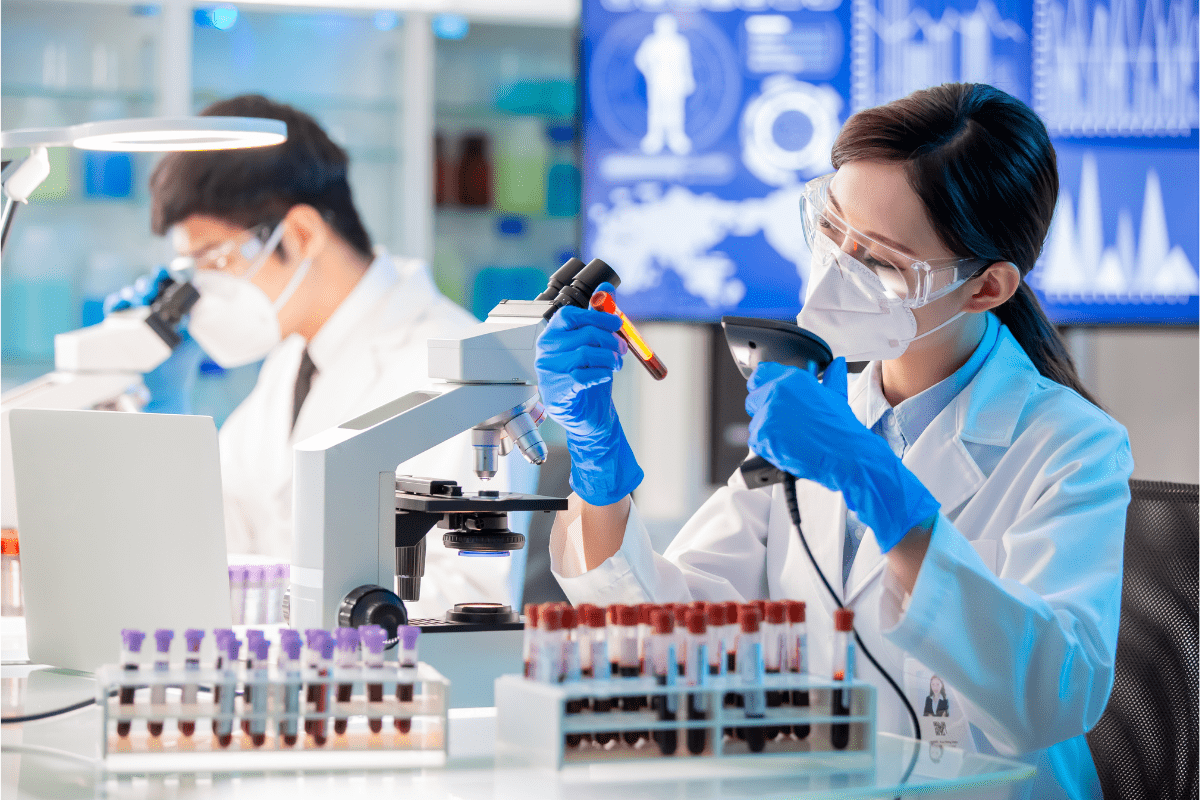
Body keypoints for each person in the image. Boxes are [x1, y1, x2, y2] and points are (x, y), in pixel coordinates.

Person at [535, 83, 1132, 800]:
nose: (837, 268)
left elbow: (1050, 698)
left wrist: (884, 490)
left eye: (880, 262)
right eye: (832, 228)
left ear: (987, 288)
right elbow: (670, 642)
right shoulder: (819, 410)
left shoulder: (1071, 445)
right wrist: (600, 474)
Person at [108, 95, 521, 618]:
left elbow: (468, 596)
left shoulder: (459, 366)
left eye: (215, 258)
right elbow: (232, 536)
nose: (203, 292)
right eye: (192, 269)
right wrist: (160, 421)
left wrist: (286, 604)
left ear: (301, 234)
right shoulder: (295, 359)